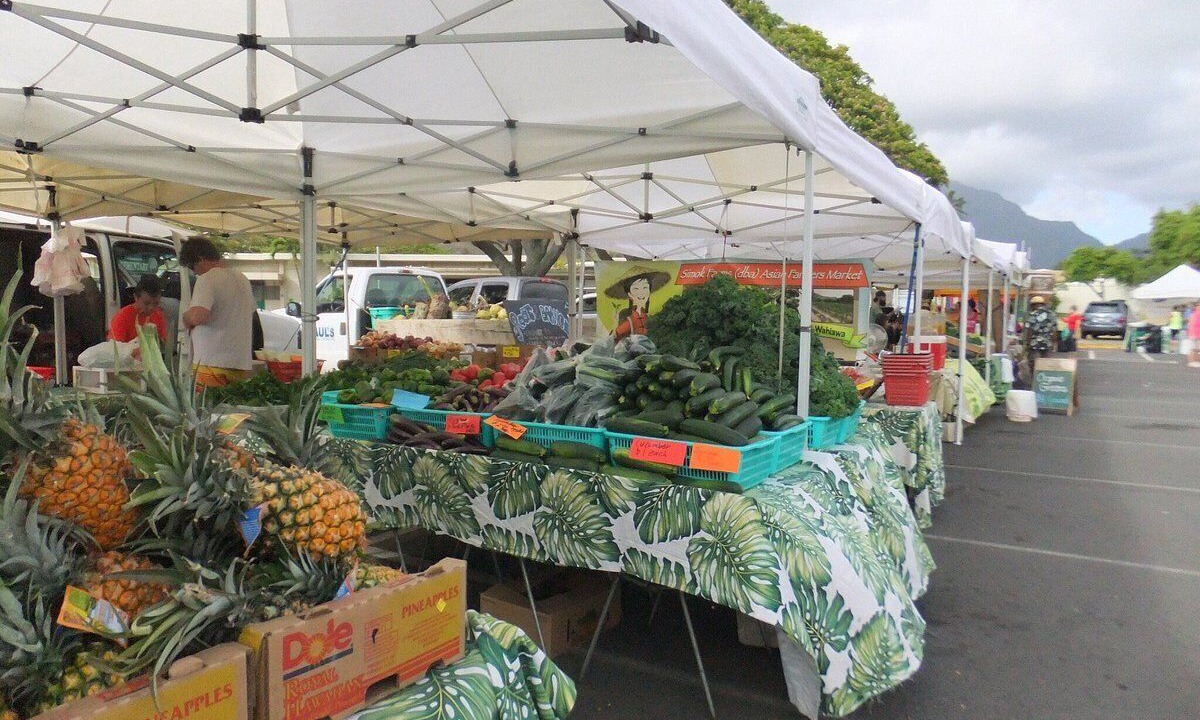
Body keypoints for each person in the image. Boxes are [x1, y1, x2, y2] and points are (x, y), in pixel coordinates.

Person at [180, 237, 256, 388]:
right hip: (240, 363)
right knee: (233, 403)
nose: (195, 272)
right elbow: (251, 312)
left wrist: (185, 317)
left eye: (192, 267)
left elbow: (197, 316)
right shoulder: (242, 278)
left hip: (211, 363)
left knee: (210, 403)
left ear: (200, 259)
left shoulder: (207, 279)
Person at [606, 265, 670, 341]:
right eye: (636, 288)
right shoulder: (630, 321)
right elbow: (614, 336)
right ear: (629, 294)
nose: (641, 292)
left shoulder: (649, 318)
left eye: (645, 287)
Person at [109, 275, 167, 343]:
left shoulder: (158, 314)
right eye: (146, 303)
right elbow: (114, 346)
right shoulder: (122, 318)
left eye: (155, 304)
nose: (151, 308)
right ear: (135, 297)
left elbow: (163, 342)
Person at [1024, 295, 1056, 372]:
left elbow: (1029, 330)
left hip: (1035, 345)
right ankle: (1044, 377)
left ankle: (1034, 377)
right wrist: (1053, 343)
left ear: (1034, 305)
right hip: (1047, 343)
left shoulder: (1032, 315)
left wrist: (1027, 344)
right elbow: (1054, 330)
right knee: (1045, 365)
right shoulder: (1051, 314)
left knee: (1034, 364)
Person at [1188, 300, 1200, 368]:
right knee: (1193, 349)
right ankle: (1191, 362)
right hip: (1194, 334)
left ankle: (1196, 361)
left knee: (1198, 349)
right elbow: (1193, 324)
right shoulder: (1194, 314)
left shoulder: (1196, 314)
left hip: (1197, 334)